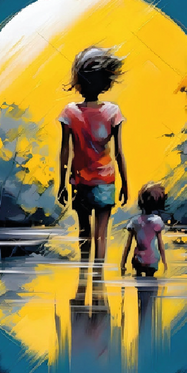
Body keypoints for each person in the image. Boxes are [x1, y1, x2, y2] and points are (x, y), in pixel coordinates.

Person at [57, 47, 128, 267]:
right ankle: (98, 282)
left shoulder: (70, 112)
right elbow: (118, 152)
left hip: (80, 182)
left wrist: (61, 183)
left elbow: (65, 152)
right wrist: (125, 183)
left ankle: (83, 280)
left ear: (79, 81)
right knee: (101, 235)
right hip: (106, 181)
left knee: (84, 233)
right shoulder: (112, 112)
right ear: (105, 81)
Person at [120, 182, 169, 279]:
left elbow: (128, 246)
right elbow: (160, 245)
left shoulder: (134, 222)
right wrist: (164, 262)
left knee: (139, 284)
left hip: (138, 260)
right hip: (152, 260)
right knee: (151, 284)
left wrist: (123, 263)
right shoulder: (157, 221)